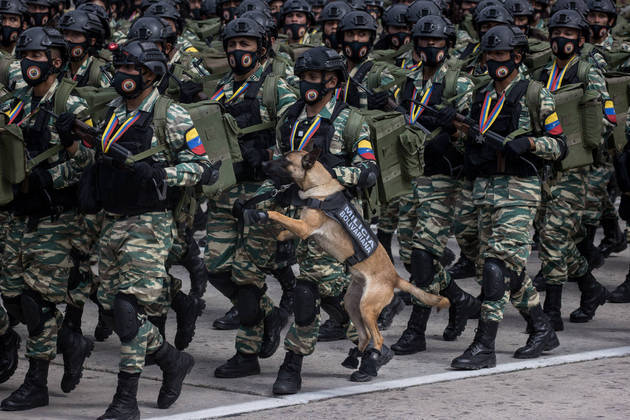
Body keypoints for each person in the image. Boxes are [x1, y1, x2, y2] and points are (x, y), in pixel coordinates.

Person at [83, 40, 208, 418]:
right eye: (120, 67)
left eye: (131, 69)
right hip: (111, 220)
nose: (122, 75)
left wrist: (159, 173)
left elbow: (200, 165)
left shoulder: (171, 115)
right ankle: (171, 361)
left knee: (126, 306)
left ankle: (126, 399)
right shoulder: (112, 111)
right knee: (109, 306)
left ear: (151, 75)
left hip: (149, 223)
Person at [450, 25, 564, 370]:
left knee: (497, 268)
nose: (494, 62)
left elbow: (559, 144)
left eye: (501, 55)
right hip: (484, 190)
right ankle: (542, 327)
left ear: (516, 57)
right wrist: (456, 131)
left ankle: (484, 345)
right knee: (501, 268)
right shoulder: (481, 95)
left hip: (519, 190)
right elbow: (471, 143)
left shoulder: (535, 93)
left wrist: (530, 143)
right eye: (489, 55)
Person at [269, 46, 381, 394]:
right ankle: (374, 345)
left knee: (307, 292)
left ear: (332, 81)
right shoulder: (290, 116)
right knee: (329, 293)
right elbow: (283, 161)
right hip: (296, 212)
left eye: (314, 78)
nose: (307, 84)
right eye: (303, 78)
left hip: (334, 219)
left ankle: (293, 365)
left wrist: (328, 173)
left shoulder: (350, 121)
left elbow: (368, 169)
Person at [0, 27, 95, 411]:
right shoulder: (16, 101)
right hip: (14, 218)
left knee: (37, 303)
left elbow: (91, 161)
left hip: (55, 218)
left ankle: (36, 381)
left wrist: (51, 175)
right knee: (11, 298)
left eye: (37, 57)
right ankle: (72, 342)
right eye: (25, 57)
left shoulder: (72, 103)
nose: (29, 64)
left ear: (56, 61)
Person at [204, 17, 297, 378]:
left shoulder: (277, 87)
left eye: (246, 44)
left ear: (261, 47)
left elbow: (295, 136)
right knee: (216, 269)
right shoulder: (220, 90)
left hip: (261, 194)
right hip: (225, 192)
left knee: (245, 276)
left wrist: (276, 172)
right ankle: (269, 314)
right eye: (233, 45)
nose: (238, 51)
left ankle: (247, 353)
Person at [390, 15, 480, 355]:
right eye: (424, 43)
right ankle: (459, 300)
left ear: (448, 46)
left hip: (443, 178)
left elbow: (475, 136)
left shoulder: (460, 83)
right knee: (414, 257)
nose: (430, 49)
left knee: (426, 252)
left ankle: (416, 331)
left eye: (437, 43)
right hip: (411, 177)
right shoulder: (408, 82)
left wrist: (453, 131)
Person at [534, 9, 613, 329]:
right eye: (557, 32)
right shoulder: (541, 74)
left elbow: (606, 120)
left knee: (553, 236)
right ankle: (590, 288)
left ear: (581, 39)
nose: (561, 39)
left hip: (576, 170)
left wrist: (578, 141)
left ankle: (551, 310)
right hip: (545, 167)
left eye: (569, 34)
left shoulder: (588, 71)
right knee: (556, 239)